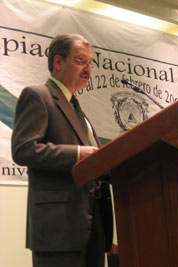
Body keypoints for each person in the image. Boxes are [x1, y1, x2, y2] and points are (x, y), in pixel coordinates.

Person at [11, 33, 113, 267]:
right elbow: (23, 149)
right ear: (58, 62)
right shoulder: (38, 96)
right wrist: (79, 154)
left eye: (90, 63)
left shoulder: (76, 108)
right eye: (80, 61)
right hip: (59, 227)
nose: (88, 69)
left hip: (93, 222)